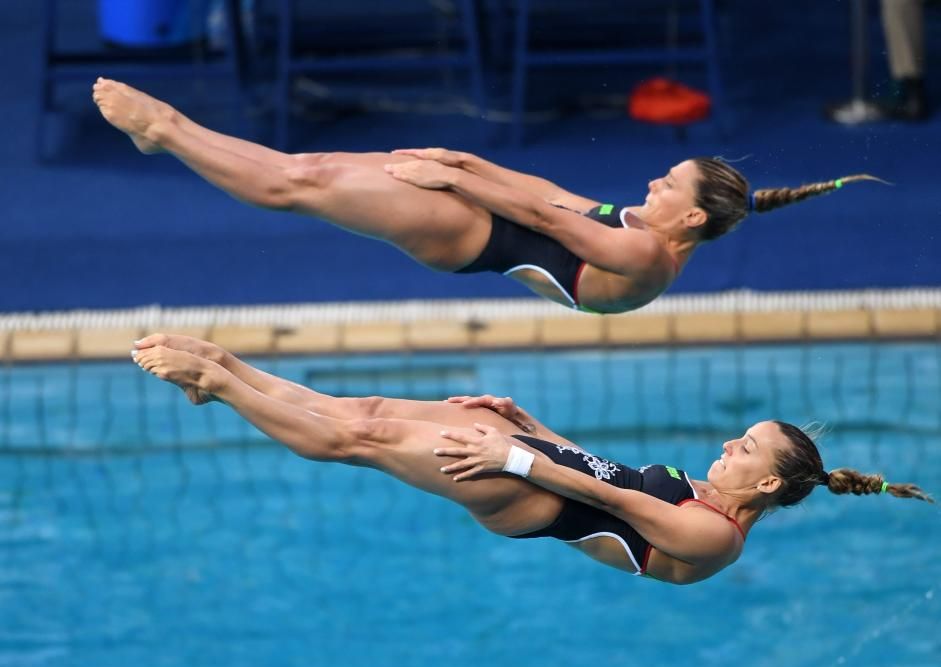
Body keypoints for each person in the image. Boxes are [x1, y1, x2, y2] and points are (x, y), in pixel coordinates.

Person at [130, 333, 933, 585]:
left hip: (532, 502)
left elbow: (612, 503)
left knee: (359, 444)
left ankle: (218, 384)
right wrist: (531, 424)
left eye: (743, 447)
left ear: (762, 483)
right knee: (367, 413)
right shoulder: (703, 493)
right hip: (544, 471)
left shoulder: (716, 537)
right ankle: (230, 372)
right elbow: (609, 469)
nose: (728, 442)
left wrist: (512, 458)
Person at [93, 78, 880, 314]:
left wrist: (455, 180)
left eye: (665, 184)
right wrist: (462, 155)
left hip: (466, 239)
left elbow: (540, 218)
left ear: (692, 218)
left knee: (298, 187)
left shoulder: (644, 255)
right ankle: (169, 134)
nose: (649, 182)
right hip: (481, 215)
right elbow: (546, 190)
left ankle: (162, 128)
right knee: (312, 163)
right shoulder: (644, 223)